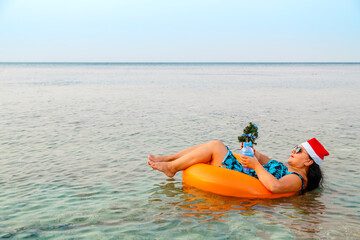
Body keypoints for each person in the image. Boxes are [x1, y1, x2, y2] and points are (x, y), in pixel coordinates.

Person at [148, 138, 329, 194]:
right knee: (214, 145)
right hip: (247, 170)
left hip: (245, 176)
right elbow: (264, 159)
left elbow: (275, 186)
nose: (293, 150)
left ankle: (172, 167)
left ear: (308, 161)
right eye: (296, 147)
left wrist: (256, 165)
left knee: (215, 146)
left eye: (299, 150)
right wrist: (252, 152)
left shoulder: (298, 179)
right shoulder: (286, 167)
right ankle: (170, 159)